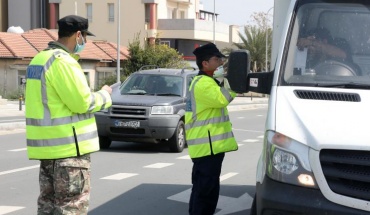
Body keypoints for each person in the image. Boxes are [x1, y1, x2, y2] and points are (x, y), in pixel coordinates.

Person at [25, 15, 112, 215]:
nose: (85, 43)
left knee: (47, 206)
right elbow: (82, 103)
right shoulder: (64, 62)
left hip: (48, 152)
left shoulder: (39, 59)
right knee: (72, 207)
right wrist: (105, 95)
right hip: (69, 152)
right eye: (85, 38)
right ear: (78, 35)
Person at [185, 43, 238, 215]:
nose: (221, 62)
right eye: (217, 59)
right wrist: (233, 82)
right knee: (205, 194)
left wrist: (222, 80)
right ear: (205, 63)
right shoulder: (203, 83)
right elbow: (222, 99)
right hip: (207, 148)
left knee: (202, 191)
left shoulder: (208, 82)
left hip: (208, 148)